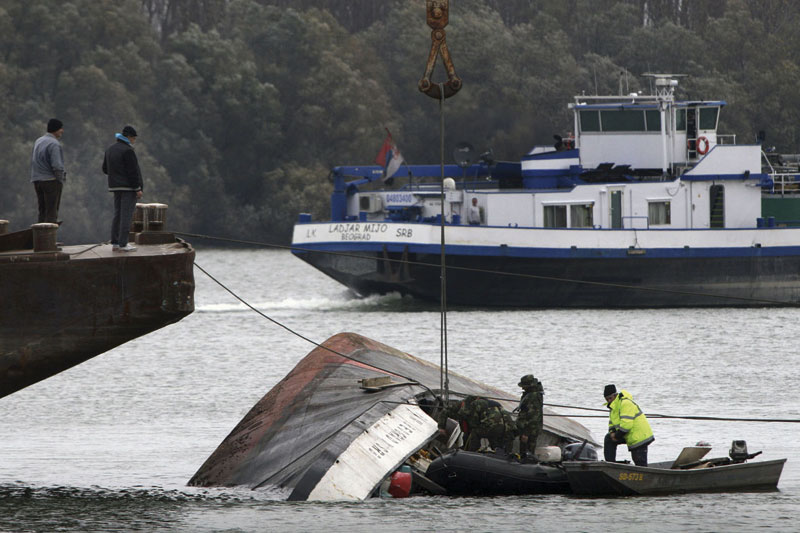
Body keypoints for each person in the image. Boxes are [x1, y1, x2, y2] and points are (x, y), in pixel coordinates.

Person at [103, 125, 143, 252]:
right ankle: (123, 244)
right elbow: (133, 172)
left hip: (115, 187)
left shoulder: (110, 149)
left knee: (117, 214)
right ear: (129, 137)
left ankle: (115, 242)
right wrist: (137, 188)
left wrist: (116, 175)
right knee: (126, 215)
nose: (134, 141)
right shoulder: (128, 151)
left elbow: (104, 169)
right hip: (128, 188)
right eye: (133, 138)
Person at [603, 384, 654, 466]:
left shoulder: (625, 403)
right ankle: (610, 465)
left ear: (615, 395)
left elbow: (626, 426)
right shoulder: (613, 408)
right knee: (608, 438)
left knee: (640, 463)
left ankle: (646, 475)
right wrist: (612, 432)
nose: (609, 401)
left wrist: (616, 436)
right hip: (628, 434)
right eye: (607, 399)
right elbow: (611, 424)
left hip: (639, 436)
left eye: (610, 398)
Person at [30, 118, 66, 223]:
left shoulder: (39, 141)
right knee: (51, 212)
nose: (62, 130)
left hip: (37, 180)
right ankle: (48, 238)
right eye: (60, 128)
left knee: (42, 211)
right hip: (50, 180)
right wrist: (60, 180)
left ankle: (39, 237)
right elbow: (57, 166)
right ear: (55, 129)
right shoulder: (54, 144)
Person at [516, 374, 544, 456]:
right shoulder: (530, 394)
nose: (522, 388)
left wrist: (526, 433)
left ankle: (527, 460)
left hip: (530, 429)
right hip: (527, 427)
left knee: (527, 450)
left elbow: (533, 416)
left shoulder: (533, 397)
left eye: (524, 386)